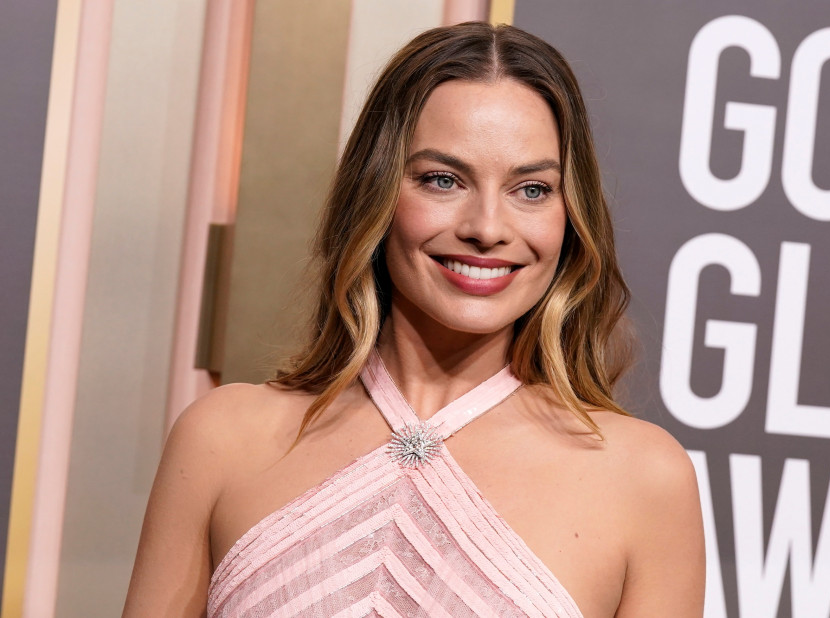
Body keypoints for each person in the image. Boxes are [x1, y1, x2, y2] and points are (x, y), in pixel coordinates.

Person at [123, 21, 704, 617]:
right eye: (443, 180)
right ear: (375, 193)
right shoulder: (222, 439)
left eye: (531, 189)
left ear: (570, 213)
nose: (487, 227)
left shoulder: (644, 481)